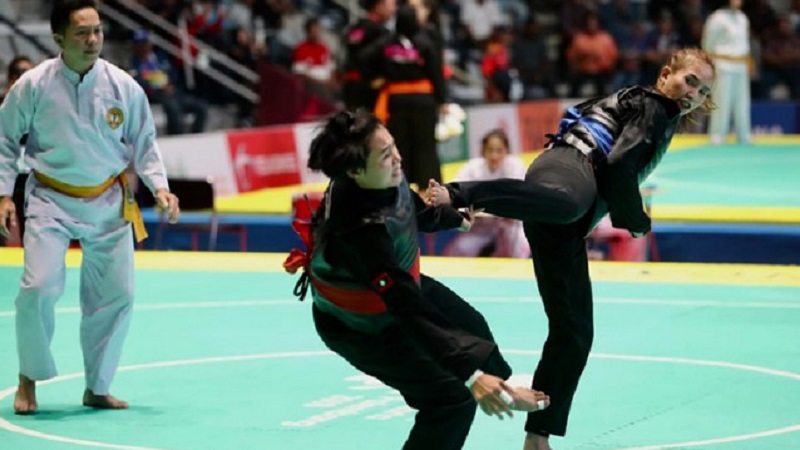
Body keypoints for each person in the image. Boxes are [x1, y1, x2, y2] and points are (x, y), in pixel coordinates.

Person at [428, 48, 716, 450]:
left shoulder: (647, 108)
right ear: (666, 74)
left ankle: (538, 436)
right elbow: (618, 166)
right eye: (690, 81)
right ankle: (459, 195)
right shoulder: (657, 105)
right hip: (567, 171)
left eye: (703, 92)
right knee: (566, 204)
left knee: (574, 331)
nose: (693, 94)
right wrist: (636, 220)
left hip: (565, 220)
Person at [283, 110, 550, 450]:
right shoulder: (358, 232)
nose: (397, 157)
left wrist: (455, 218)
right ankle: (487, 387)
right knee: (451, 399)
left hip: (399, 285)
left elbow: (411, 209)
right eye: (385, 155)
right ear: (355, 171)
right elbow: (408, 310)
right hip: (361, 327)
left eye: (392, 146)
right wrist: (471, 378)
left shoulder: (381, 174)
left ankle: (503, 390)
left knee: (473, 325)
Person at [0, 0, 181, 415]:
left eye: (97, 31)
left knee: (118, 295)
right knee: (37, 287)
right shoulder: (34, 84)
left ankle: (97, 386)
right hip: (50, 198)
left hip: (108, 200)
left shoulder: (122, 85)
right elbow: (5, 139)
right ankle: (28, 378)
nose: (93, 40)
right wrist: (4, 194)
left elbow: (145, 141)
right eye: (82, 33)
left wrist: (160, 188)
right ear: (59, 38)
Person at [445, 129, 528, 258]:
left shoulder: (516, 167)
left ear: (506, 150)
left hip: (509, 226)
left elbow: (520, 198)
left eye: (499, 150)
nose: (494, 155)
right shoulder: (472, 168)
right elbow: (455, 191)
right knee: (461, 248)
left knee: (519, 248)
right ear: (483, 150)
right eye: (490, 150)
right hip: (480, 227)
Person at [702, 0, 751, 145]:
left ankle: (744, 136)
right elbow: (707, 45)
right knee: (721, 102)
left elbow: (745, 43)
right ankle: (717, 136)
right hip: (723, 65)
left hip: (741, 65)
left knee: (743, 103)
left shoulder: (742, 18)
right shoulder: (716, 18)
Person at [0, 56, 35, 247]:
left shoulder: (40, 109)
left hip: (31, 181)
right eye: (22, 73)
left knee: (33, 240)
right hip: (3, 179)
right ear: (11, 78)